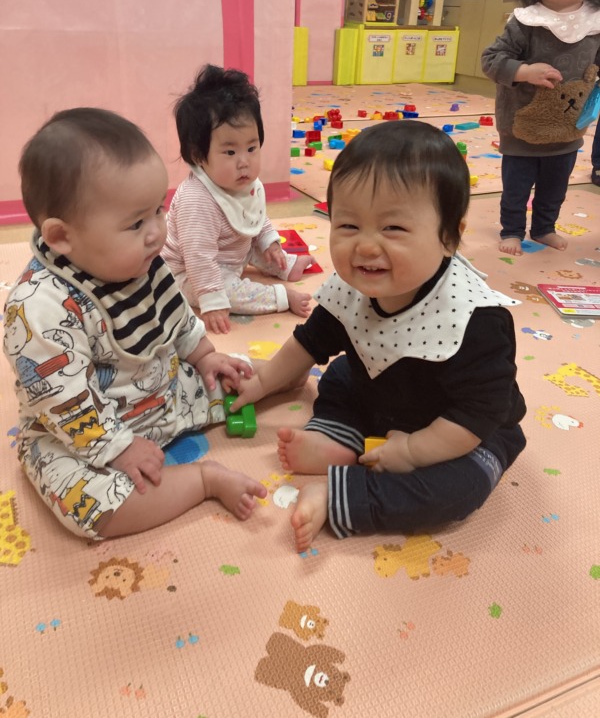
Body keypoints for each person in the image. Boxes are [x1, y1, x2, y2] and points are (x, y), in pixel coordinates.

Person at [228, 121, 527, 552]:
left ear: (449, 237)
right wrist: (261, 383)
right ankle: (338, 438)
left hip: (461, 429)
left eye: (393, 229)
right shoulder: (353, 287)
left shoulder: (473, 318)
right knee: (340, 375)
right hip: (380, 393)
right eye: (348, 226)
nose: (366, 246)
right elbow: (308, 343)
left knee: (460, 489)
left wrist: (414, 452)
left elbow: (478, 413)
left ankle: (341, 494)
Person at [3, 108, 267, 541]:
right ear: (62, 237)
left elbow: (177, 314)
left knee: (246, 376)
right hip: (80, 431)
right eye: (136, 223)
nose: (157, 232)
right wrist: (117, 448)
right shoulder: (38, 310)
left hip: (163, 390)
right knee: (92, 508)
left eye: (158, 210)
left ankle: (276, 376)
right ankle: (203, 481)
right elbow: (64, 400)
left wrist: (205, 357)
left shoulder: (141, 258)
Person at [162, 64, 315, 334]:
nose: (244, 162)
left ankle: (286, 265)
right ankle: (280, 297)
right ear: (198, 155)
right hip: (190, 273)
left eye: (252, 148)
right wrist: (212, 301)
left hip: (232, 255)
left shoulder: (242, 182)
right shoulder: (197, 199)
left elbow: (254, 216)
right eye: (230, 152)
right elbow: (199, 256)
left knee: (258, 243)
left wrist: (270, 241)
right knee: (226, 292)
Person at [481, 0, 600, 255]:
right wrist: (524, 71)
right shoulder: (526, 22)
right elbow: (491, 59)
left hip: (567, 129)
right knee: (517, 186)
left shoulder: (595, 23)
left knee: (555, 187)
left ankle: (545, 227)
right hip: (522, 128)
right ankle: (512, 230)